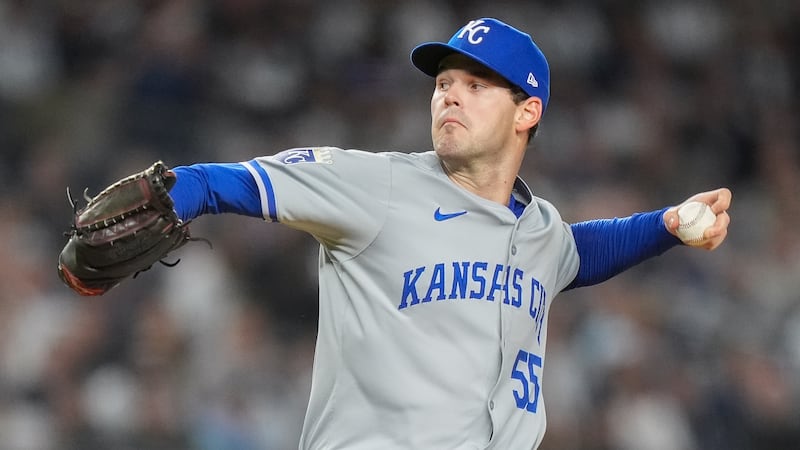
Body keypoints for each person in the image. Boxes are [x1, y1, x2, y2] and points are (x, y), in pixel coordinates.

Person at [165, 17, 731, 450]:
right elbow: (232, 181)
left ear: (526, 111)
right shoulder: (377, 184)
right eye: (443, 82)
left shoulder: (539, 230)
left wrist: (667, 226)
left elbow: (580, 251)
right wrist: (176, 192)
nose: (449, 95)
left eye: (477, 84)